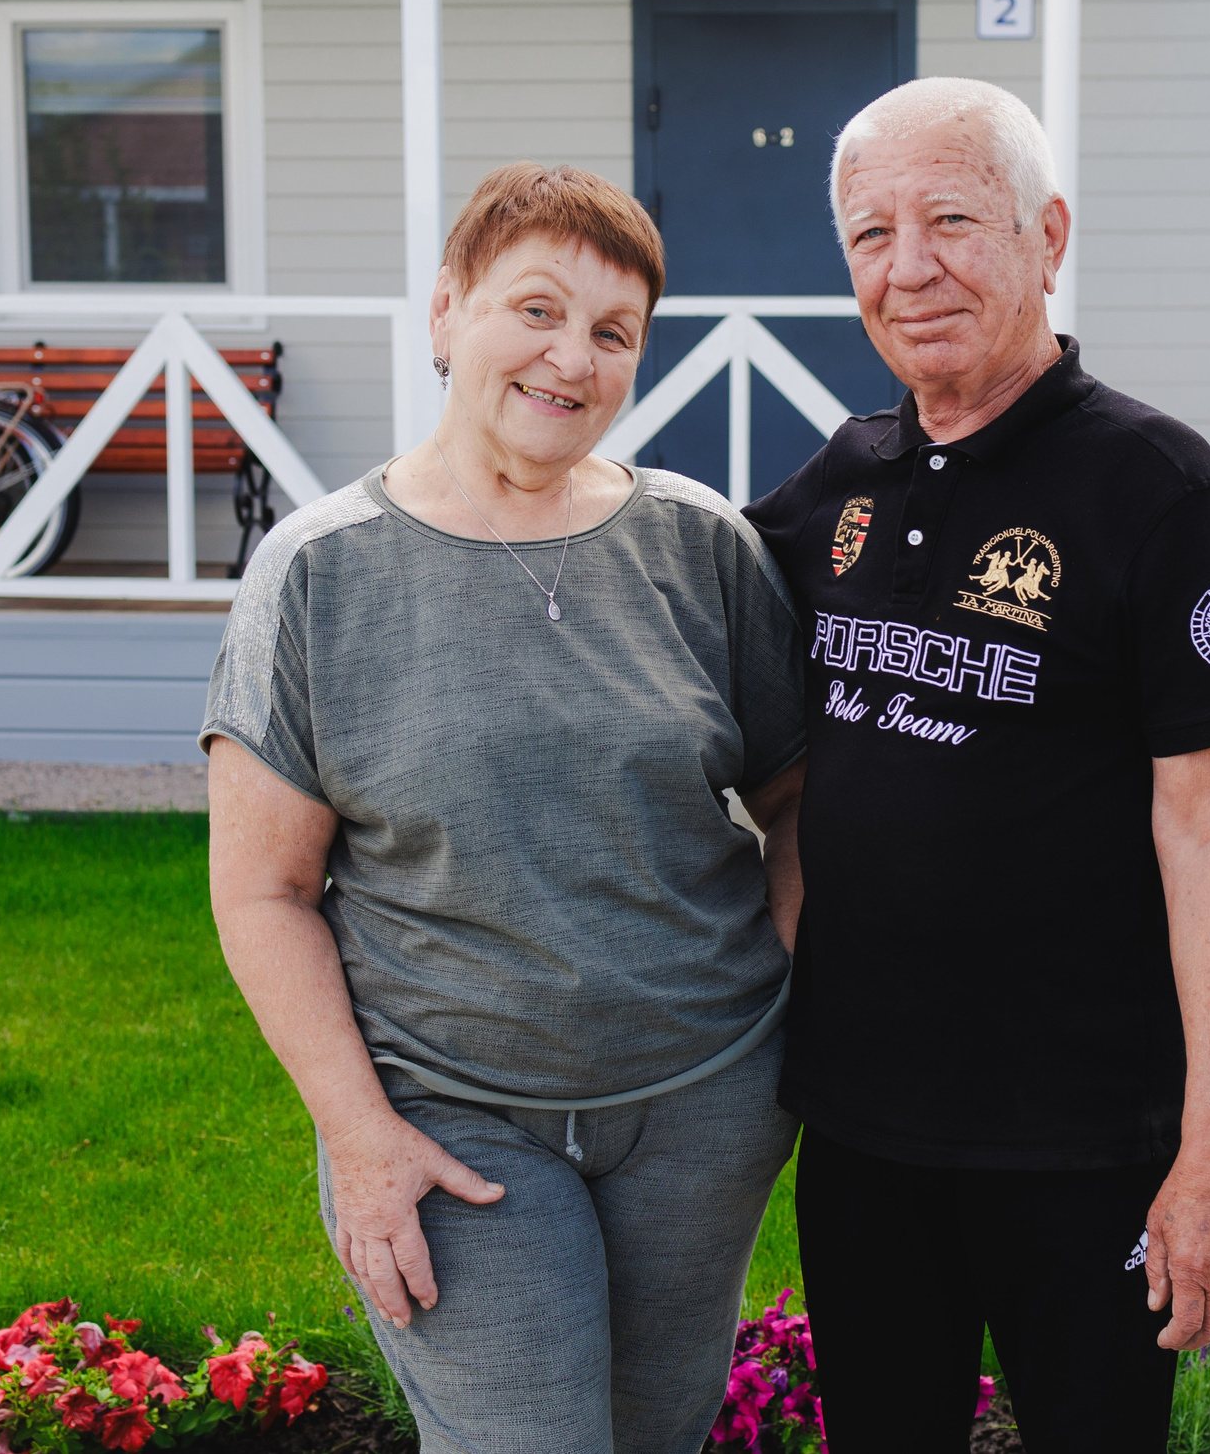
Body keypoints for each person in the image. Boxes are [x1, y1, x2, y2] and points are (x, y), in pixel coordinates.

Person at [202, 163, 810, 1454]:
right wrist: (360, 1136)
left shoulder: (701, 546)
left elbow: (797, 797)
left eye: (611, 332)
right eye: (535, 310)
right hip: (448, 1115)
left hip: (703, 1105)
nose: (569, 358)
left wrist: (807, 1007)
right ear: (445, 313)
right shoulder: (318, 571)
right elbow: (263, 890)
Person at [744, 77, 1210, 1452]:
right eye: (871, 234)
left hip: (1087, 1146)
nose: (908, 266)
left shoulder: (1157, 487)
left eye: (951, 220)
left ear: (1048, 235)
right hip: (863, 1132)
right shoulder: (837, 486)